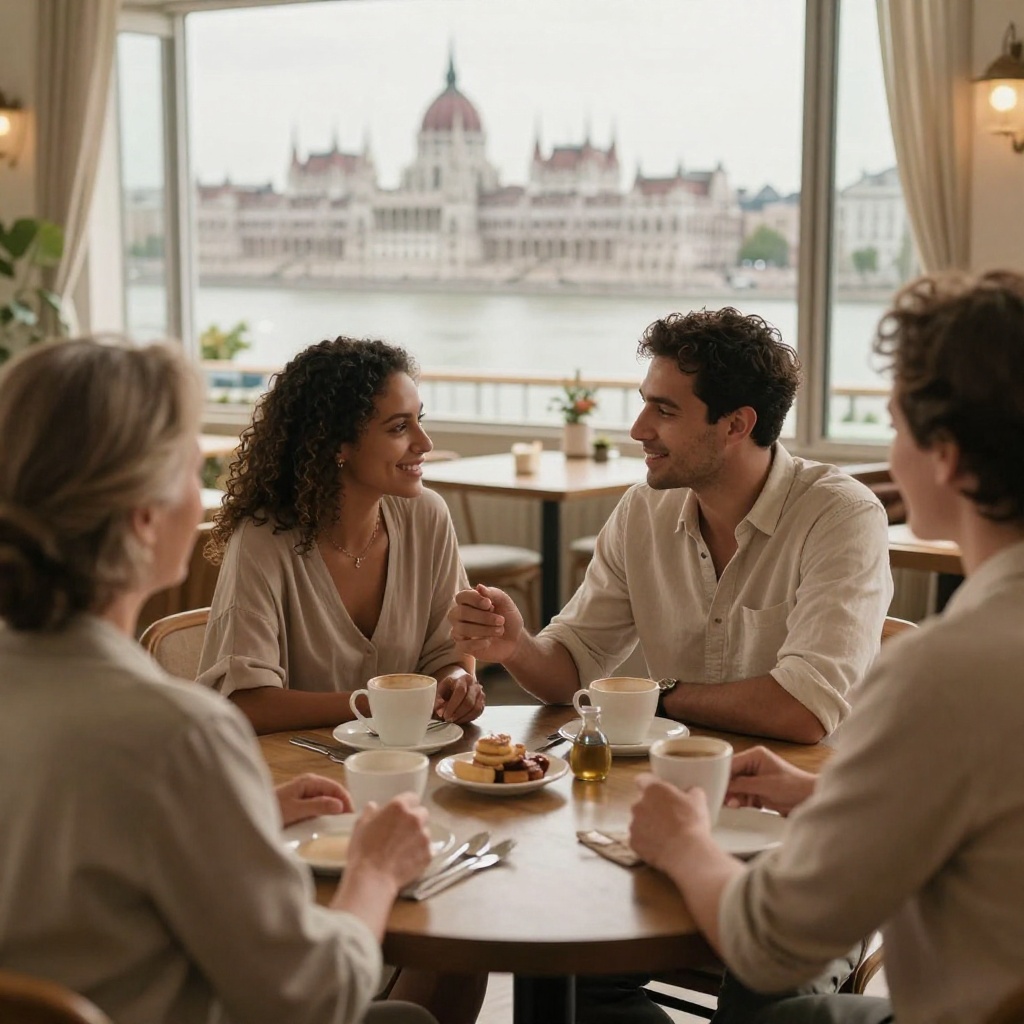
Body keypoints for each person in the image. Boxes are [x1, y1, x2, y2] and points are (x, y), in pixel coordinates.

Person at [0, 337, 438, 1024]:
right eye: (188, 462)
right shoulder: (180, 736)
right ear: (144, 516)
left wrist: (246, 813)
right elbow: (315, 997)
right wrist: (376, 871)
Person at [629, 270, 1024, 1024]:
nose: (890, 448)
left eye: (896, 423)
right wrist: (829, 796)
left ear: (945, 454)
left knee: (778, 1012)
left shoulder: (946, 671)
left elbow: (771, 943)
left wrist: (684, 842)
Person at [451, 307, 892, 744]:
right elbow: (572, 669)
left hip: (801, 793)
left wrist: (657, 698)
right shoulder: (643, 510)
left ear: (736, 425)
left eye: (664, 411)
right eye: (645, 403)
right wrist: (515, 646)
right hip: (672, 777)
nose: (638, 429)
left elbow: (803, 710)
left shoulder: (841, 516)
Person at [198, 336, 485, 735]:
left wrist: (456, 682)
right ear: (338, 444)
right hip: (299, 778)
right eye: (400, 427)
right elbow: (245, 704)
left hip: (413, 764)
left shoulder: (427, 516)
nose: (424, 443)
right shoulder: (262, 540)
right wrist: (378, 703)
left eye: (421, 420)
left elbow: (446, 656)